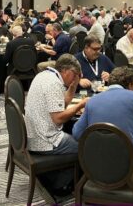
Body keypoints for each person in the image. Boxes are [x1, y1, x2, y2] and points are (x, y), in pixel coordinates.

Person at [73, 66, 133, 181]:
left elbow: (77, 134)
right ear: (131, 85)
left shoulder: (92, 101)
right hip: (129, 172)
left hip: (96, 169)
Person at [24, 54, 88, 194]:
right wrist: (80, 105)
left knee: (74, 135)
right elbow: (58, 118)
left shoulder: (44, 75)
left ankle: (55, 176)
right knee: (86, 146)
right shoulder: (54, 84)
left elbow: (60, 105)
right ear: (67, 71)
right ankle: (62, 184)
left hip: (33, 134)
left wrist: (73, 86)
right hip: (46, 140)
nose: (78, 77)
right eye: (76, 75)